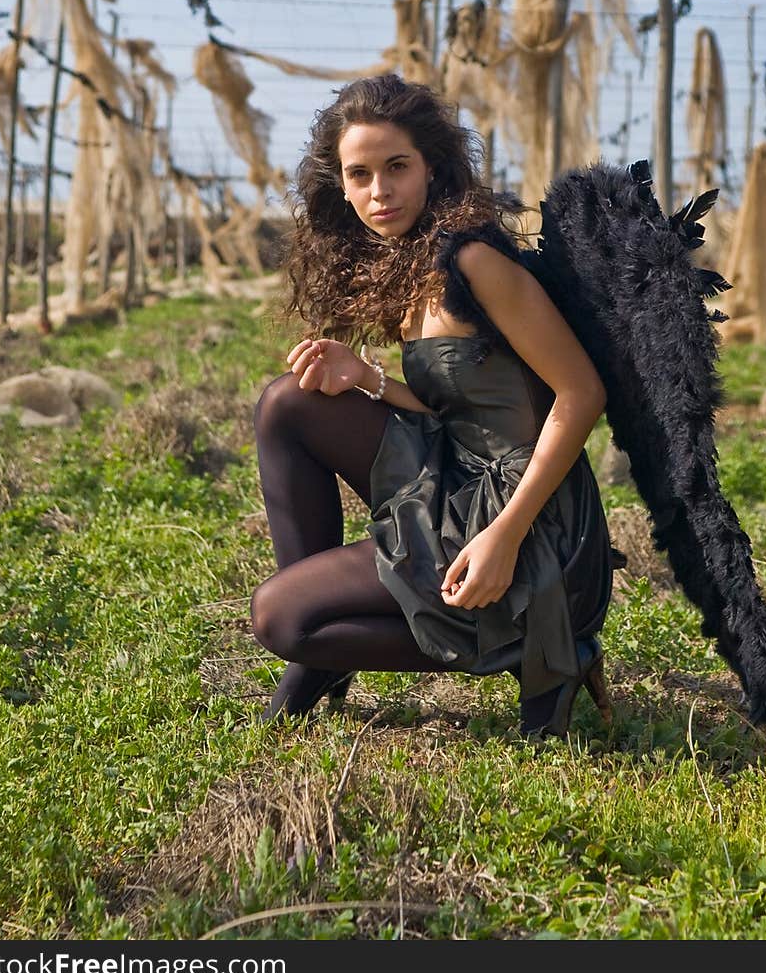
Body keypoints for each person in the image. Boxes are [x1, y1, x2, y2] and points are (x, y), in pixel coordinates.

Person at [250, 72, 615, 739]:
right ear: (339, 185)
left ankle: (544, 648)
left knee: (281, 618)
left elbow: (581, 393)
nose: (379, 191)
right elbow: (461, 400)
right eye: (359, 175)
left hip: (531, 523)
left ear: (433, 168)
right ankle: (318, 662)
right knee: (286, 403)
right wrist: (367, 377)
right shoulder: (408, 262)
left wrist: (502, 537)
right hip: (457, 472)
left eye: (396, 167)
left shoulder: (475, 259)